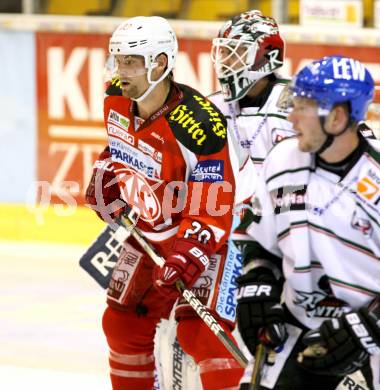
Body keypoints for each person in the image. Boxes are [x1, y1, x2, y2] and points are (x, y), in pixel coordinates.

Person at [85, 16, 245, 389]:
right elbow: (120, 146)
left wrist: (188, 253)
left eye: (131, 62)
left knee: (201, 334)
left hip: (213, 236)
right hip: (151, 231)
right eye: (117, 60)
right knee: (121, 324)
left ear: (159, 63)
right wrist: (104, 173)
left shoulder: (200, 124)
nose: (120, 71)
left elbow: (215, 202)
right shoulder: (116, 96)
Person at [233, 55, 380, 390]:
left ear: (338, 117)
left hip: (371, 340)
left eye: (303, 107)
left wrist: (369, 326)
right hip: (298, 326)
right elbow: (261, 240)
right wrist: (257, 283)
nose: (291, 116)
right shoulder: (282, 159)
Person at [210, 9, 295, 171]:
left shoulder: (298, 103)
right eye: (223, 52)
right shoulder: (211, 107)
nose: (225, 62)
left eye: (233, 53)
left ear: (265, 56)